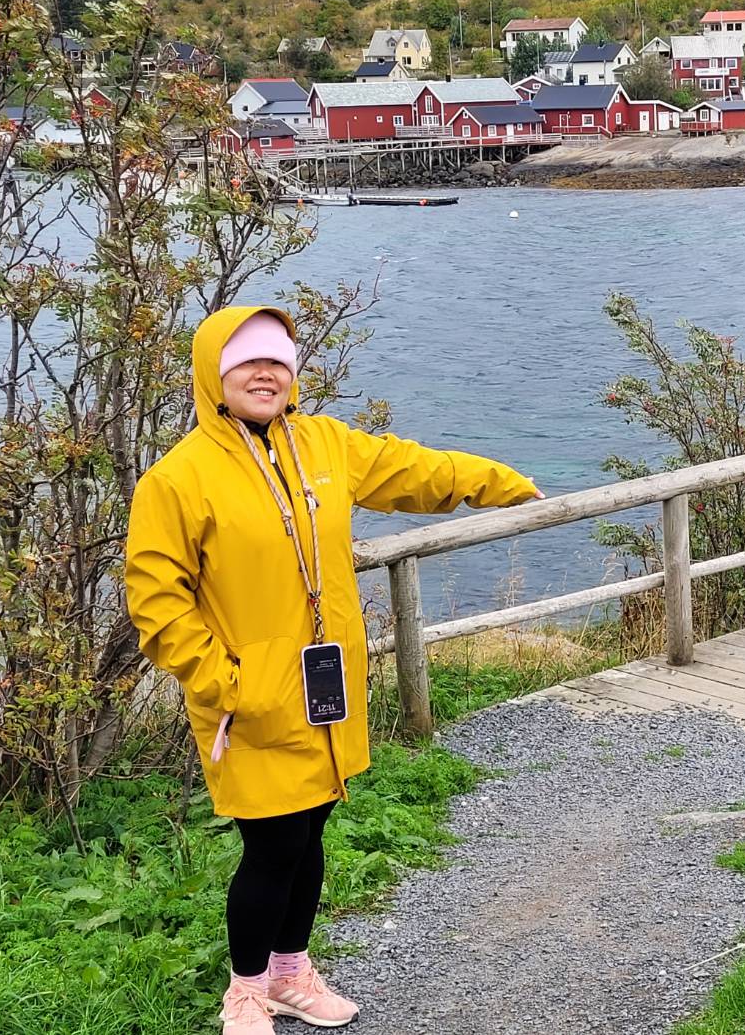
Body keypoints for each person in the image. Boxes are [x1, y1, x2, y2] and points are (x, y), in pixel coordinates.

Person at [125, 307, 541, 1034]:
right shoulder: (178, 478)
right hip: (248, 699)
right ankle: (246, 992)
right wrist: (231, 684)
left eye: (277, 361)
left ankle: (290, 974)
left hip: (325, 688)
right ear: (211, 375)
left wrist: (498, 480)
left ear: (292, 375)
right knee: (271, 844)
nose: (264, 373)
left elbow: (415, 470)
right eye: (246, 361)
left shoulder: (324, 443)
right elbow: (158, 604)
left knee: (310, 831)